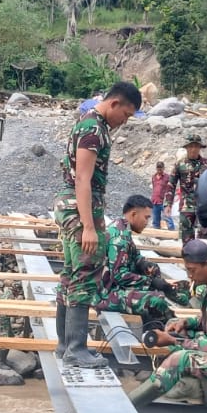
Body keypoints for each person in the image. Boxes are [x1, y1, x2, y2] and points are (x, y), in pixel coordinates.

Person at [53, 80, 143, 368]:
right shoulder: (94, 129)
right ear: (114, 103)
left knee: (71, 274)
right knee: (85, 274)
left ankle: (65, 345)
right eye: (126, 115)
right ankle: (76, 349)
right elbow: (83, 178)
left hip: (72, 207)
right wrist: (89, 226)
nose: (124, 122)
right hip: (80, 210)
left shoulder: (89, 122)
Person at [125, 223, 207, 408]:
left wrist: (172, 341)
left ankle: (131, 405)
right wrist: (187, 322)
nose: (189, 275)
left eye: (192, 270)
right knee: (178, 328)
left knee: (180, 358)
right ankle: (188, 385)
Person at [97, 193, 184, 329]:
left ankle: (160, 321)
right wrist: (151, 282)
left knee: (153, 272)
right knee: (155, 302)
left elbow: (134, 257)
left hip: (114, 288)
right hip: (106, 295)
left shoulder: (122, 229)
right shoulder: (119, 238)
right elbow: (120, 276)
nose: (147, 222)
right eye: (146, 217)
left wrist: (145, 265)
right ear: (133, 214)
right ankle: (157, 334)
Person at [174, 134, 207, 243]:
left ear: (200, 148)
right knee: (187, 237)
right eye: (191, 146)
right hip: (187, 206)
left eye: (196, 146)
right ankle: (189, 258)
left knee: (205, 235)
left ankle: (202, 257)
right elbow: (171, 184)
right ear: (186, 147)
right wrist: (168, 203)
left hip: (204, 205)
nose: (193, 149)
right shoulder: (179, 164)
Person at [150, 162, 175, 230]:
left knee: (168, 218)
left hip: (164, 201)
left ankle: (172, 233)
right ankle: (156, 233)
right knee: (156, 219)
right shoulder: (154, 177)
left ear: (163, 168)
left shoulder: (167, 177)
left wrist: (169, 200)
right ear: (156, 169)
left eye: (161, 169)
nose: (159, 171)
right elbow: (154, 187)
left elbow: (171, 188)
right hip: (155, 200)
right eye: (158, 169)